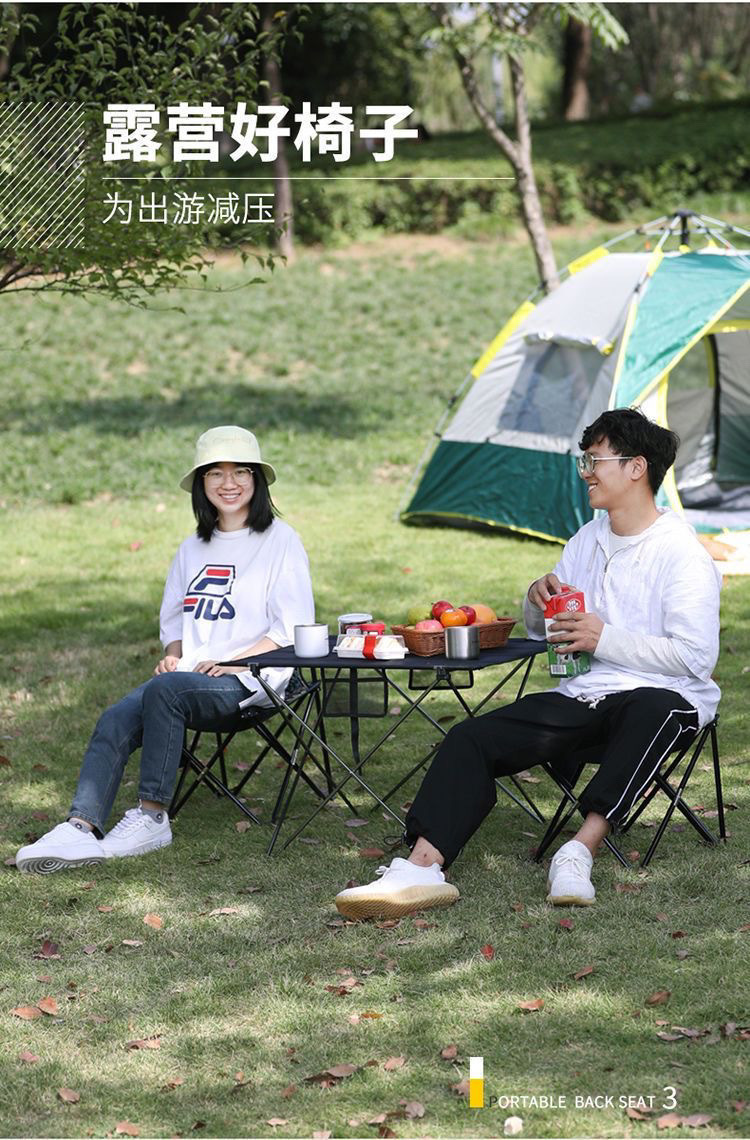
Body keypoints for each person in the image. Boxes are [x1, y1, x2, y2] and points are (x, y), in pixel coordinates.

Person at [335, 409, 722, 917]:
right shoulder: (586, 540)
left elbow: (695, 657)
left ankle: (578, 850)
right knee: (471, 738)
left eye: (595, 461)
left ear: (636, 468)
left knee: (651, 709)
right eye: (584, 461)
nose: (585, 472)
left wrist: (603, 638)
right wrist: (537, 601)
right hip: (585, 695)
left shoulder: (682, 554)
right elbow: (548, 630)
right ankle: (422, 867)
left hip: (665, 698)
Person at [16, 426, 314, 873]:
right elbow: (174, 617)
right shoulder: (192, 548)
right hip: (188, 678)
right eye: (215, 473)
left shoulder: (280, 541)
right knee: (116, 716)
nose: (228, 483)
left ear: (257, 479)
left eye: (240, 472)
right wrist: (175, 652)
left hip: (251, 681)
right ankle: (80, 826)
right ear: (201, 483)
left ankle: (152, 816)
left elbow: (291, 626)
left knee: (165, 691)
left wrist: (234, 662)